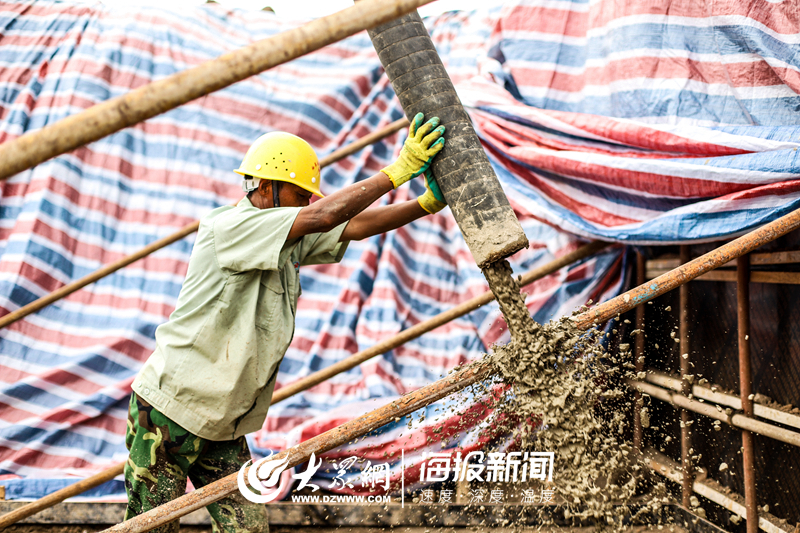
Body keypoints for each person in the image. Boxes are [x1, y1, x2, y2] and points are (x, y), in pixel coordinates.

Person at [123, 113, 447, 533]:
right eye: (300, 194)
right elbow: (324, 217)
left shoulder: (287, 233)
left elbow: (353, 226)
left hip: (224, 421)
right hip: (171, 413)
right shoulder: (231, 226)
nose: (309, 203)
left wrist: (423, 205)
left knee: (249, 527)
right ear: (267, 186)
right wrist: (397, 171)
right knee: (151, 527)